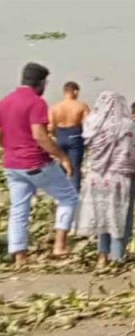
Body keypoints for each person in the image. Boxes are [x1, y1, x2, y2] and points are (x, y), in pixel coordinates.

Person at [0, 63, 78, 266]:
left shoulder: (6, 101)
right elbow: (40, 136)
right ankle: (60, 246)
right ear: (40, 83)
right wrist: (62, 157)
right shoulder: (36, 102)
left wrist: (10, 148)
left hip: (12, 163)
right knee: (69, 197)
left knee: (19, 208)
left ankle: (19, 255)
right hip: (34, 162)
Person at [75, 91, 135, 267]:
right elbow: (132, 153)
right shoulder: (126, 126)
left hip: (96, 177)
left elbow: (89, 150)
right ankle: (117, 255)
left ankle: (102, 256)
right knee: (120, 216)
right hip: (120, 177)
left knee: (102, 217)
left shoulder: (92, 124)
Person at [49, 81, 90, 192]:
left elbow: (51, 126)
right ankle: (75, 193)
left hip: (60, 135)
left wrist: (55, 136)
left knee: (62, 163)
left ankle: (62, 192)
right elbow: (88, 125)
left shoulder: (54, 107)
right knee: (75, 166)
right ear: (75, 91)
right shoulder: (81, 106)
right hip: (75, 135)